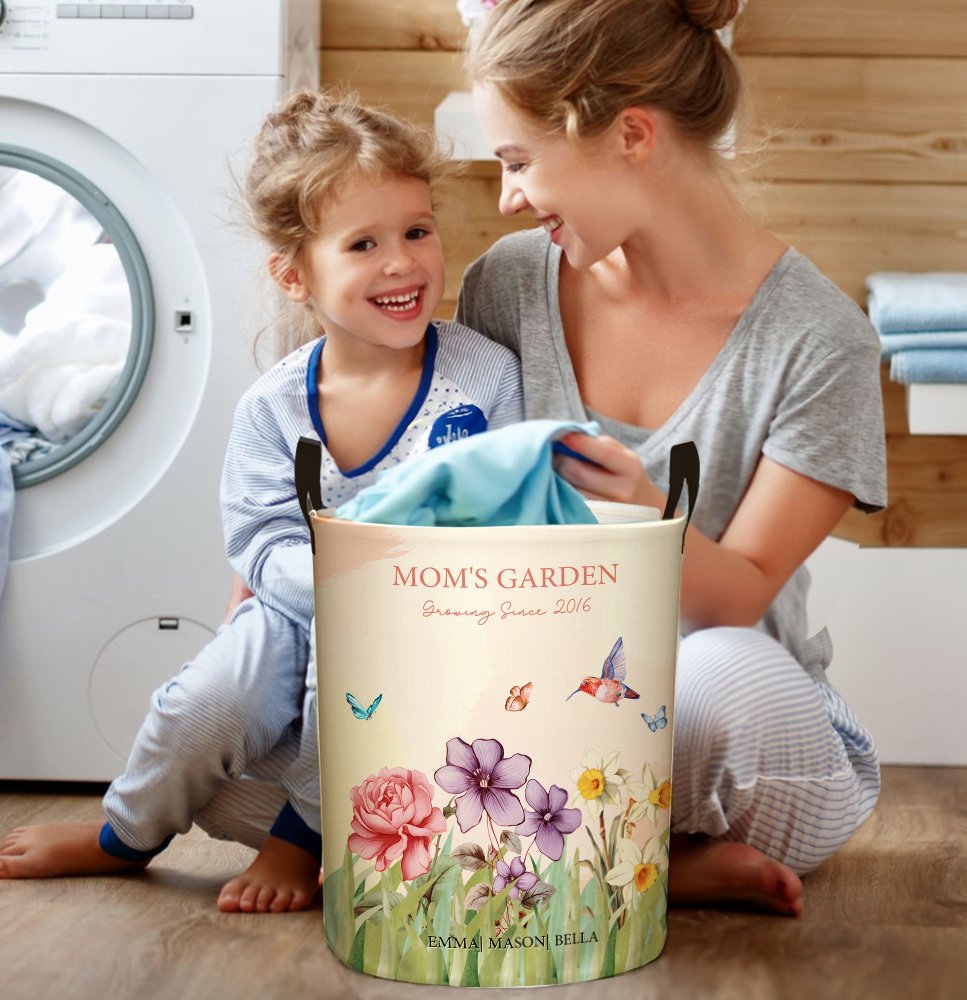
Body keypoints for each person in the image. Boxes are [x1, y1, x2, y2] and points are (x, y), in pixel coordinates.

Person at [0, 90, 523, 913]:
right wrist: (333, 583)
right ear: (294, 275)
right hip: (293, 605)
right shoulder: (273, 407)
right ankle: (124, 834)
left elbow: (511, 509)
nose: (402, 262)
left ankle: (301, 837)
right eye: (364, 244)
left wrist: (382, 590)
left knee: (357, 672)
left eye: (417, 231)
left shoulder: (484, 375)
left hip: (432, 621)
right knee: (204, 704)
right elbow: (259, 539)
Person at [457, 0, 887, 916]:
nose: (507, 198)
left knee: (713, 679)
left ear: (632, 135)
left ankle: (544, 856)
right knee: (262, 735)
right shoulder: (505, 285)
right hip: (539, 708)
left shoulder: (819, 341)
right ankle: (645, 866)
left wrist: (648, 518)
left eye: (520, 161)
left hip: (738, 737)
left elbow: (737, 602)